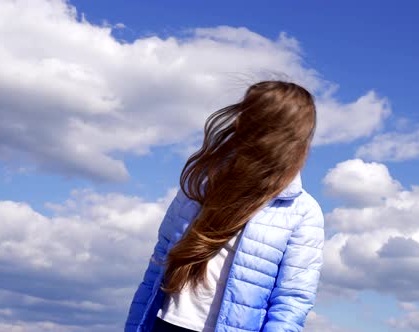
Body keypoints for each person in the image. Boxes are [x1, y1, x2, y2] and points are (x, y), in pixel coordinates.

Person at [124, 80, 325, 332]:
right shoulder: (201, 182)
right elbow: (158, 262)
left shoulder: (302, 210)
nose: (240, 122)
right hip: (164, 323)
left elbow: (292, 299)